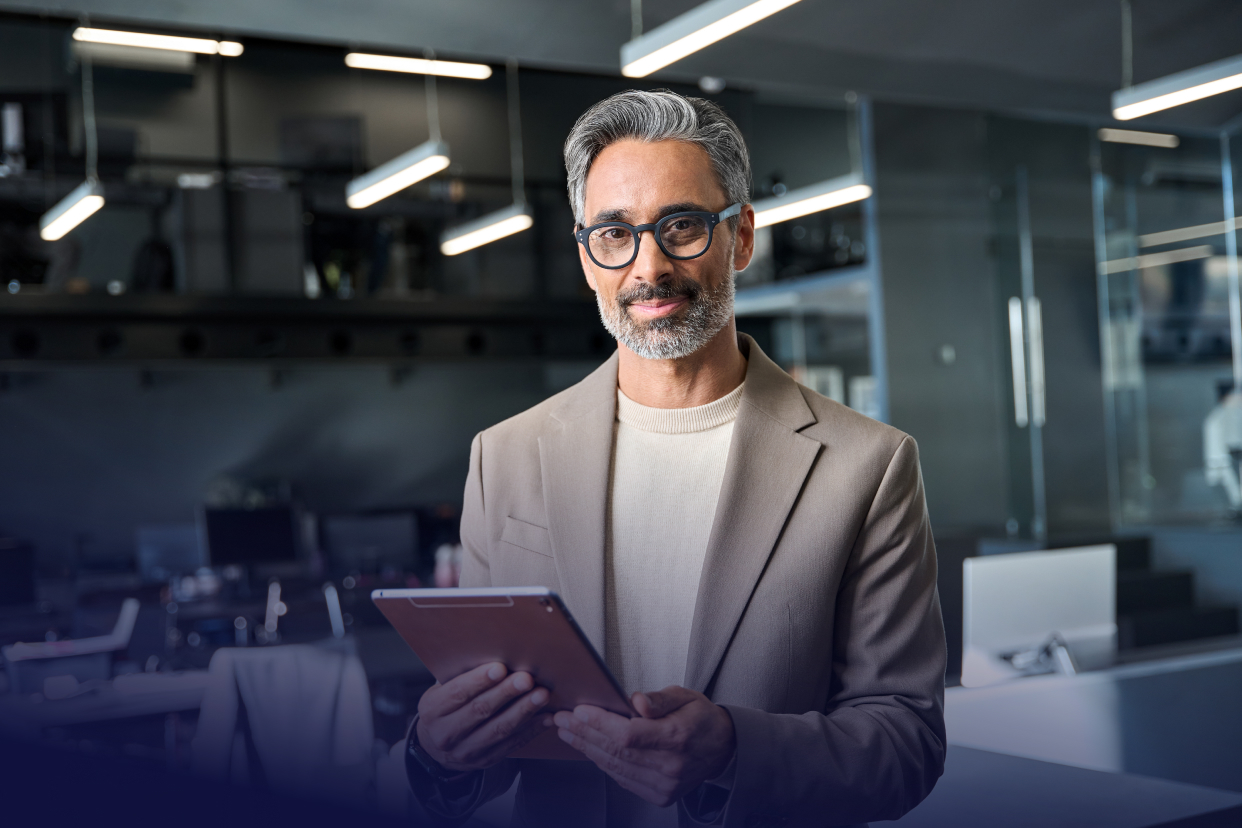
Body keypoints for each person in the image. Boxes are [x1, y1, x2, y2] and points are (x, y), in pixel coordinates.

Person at [403, 89, 946, 828]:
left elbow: (906, 740)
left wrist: (732, 751)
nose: (648, 266)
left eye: (682, 225)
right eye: (614, 234)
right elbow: (497, 737)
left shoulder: (868, 466)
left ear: (742, 237)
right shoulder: (505, 458)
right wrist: (438, 755)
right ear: (587, 257)